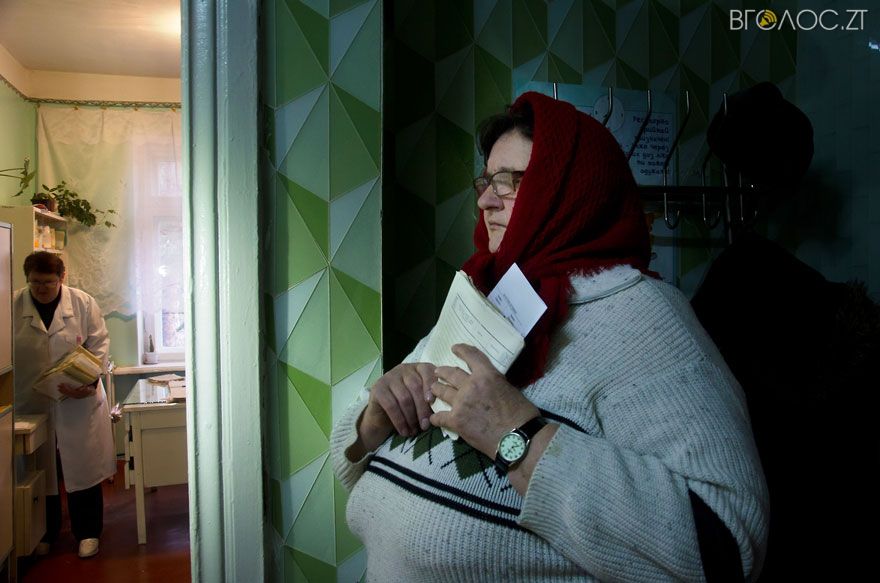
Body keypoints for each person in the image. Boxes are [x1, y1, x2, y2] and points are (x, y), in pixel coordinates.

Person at [331, 91, 769, 581]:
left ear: (569, 193)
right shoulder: (491, 292)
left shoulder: (645, 317)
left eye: (511, 182)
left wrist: (517, 437)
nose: (485, 200)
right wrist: (375, 418)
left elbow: (730, 548)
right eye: (486, 181)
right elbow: (349, 458)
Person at [13, 251, 115, 559]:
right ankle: (45, 532)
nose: (41, 288)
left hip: (78, 399)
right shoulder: (12, 305)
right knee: (41, 468)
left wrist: (88, 383)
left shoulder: (83, 303)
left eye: (48, 282)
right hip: (33, 399)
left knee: (82, 466)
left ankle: (88, 532)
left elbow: (99, 344)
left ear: (62, 278)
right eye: (35, 282)